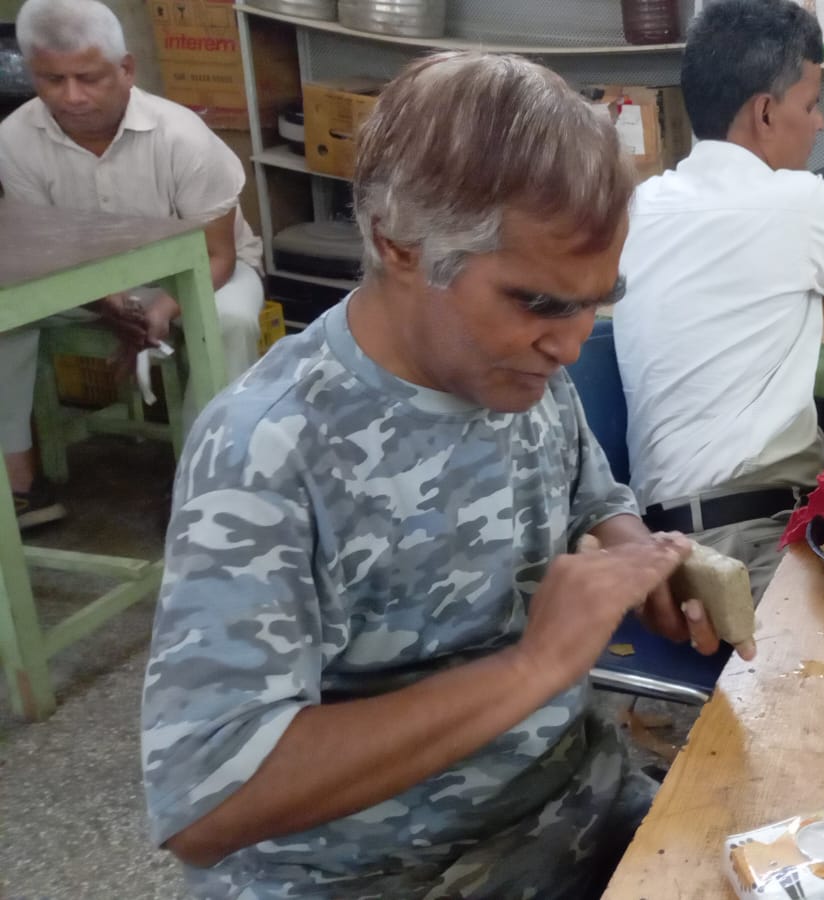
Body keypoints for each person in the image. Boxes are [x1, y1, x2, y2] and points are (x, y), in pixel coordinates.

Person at [141, 51, 742, 899]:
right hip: (383, 876)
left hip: (570, 811)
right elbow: (206, 802)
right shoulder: (266, 450)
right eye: (537, 302)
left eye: (594, 301)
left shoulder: (522, 374)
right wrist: (533, 668)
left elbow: (593, 497)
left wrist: (640, 557)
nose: (572, 345)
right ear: (401, 244)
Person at [613, 0, 824, 597]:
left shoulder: (643, 203)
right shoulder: (797, 202)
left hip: (655, 545)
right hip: (750, 539)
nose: (820, 123)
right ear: (764, 112)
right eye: (810, 104)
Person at [0, 0, 265, 529]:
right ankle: (21, 485)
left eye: (89, 77)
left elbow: (218, 255)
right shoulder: (13, 139)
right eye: (53, 80)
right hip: (77, 281)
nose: (72, 96)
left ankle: (204, 486)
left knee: (232, 322)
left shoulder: (182, 137)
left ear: (125, 69)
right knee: (4, 321)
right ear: (33, 73)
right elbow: (43, 249)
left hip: (196, 275)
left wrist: (162, 308)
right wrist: (107, 303)